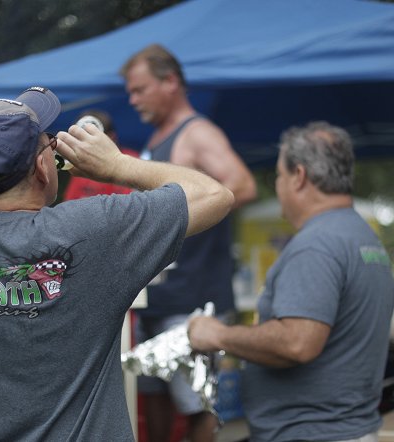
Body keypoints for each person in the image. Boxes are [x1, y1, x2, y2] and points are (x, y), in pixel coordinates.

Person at [0, 86, 234, 441]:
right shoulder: (92, 230)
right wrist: (116, 165)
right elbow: (214, 195)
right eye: (49, 143)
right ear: (41, 168)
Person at [188, 121, 394, 442]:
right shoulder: (362, 236)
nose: (280, 186)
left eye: (280, 176)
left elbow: (297, 342)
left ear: (298, 176)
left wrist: (217, 334)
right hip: (349, 429)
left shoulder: (316, 244)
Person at [120, 44, 257, 441]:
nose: (133, 99)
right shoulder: (158, 137)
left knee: (197, 405)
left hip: (193, 301)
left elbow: (242, 185)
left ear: (171, 82)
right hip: (154, 300)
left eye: (139, 89)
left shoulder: (197, 133)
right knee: (155, 399)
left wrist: (182, 219)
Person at [62, 109, 139, 200]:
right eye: (79, 140)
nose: (83, 148)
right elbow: (70, 205)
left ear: (111, 137)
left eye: (90, 140)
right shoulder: (81, 168)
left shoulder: (133, 161)